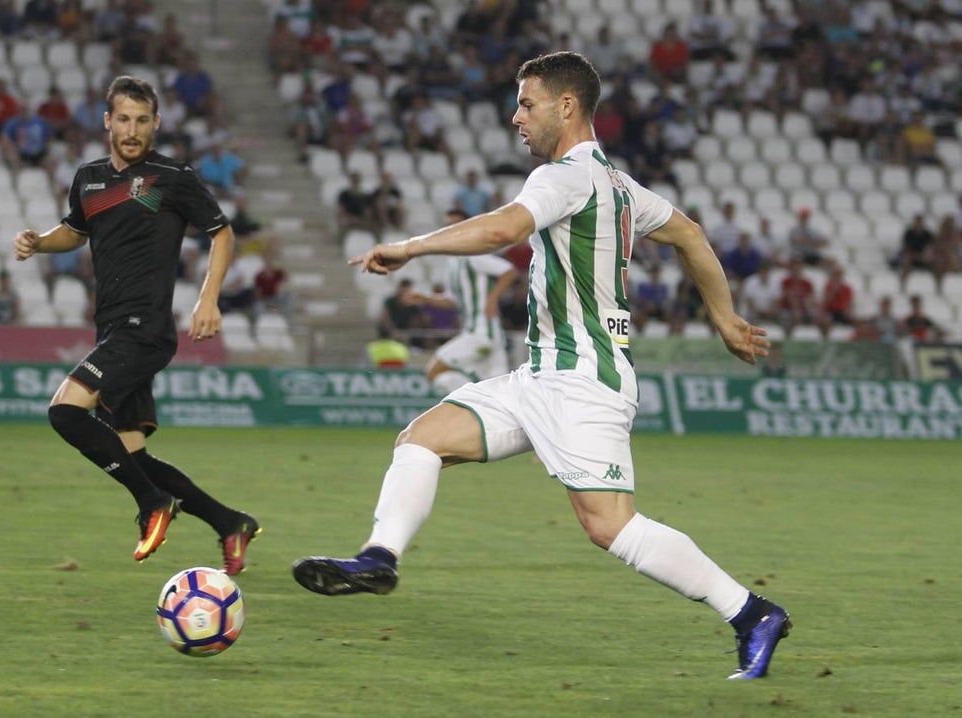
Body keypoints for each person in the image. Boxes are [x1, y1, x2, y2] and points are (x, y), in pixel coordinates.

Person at [292, 52, 789, 681]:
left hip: (585, 380)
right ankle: (378, 558)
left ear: (567, 106)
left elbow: (504, 228)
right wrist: (722, 316)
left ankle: (750, 612)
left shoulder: (566, 176)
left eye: (527, 104)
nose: (516, 116)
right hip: (540, 376)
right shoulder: (619, 184)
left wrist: (412, 247)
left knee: (609, 526)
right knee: (421, 439)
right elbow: (689, 233)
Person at [11, 75, 259, 572]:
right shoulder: (89, 178)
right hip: (112, 328)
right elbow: (75, 231)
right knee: (133, 454)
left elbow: (223, 234)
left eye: (142, 121)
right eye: (123, 119)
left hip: (144, 328)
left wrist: (208, 300)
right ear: (107, 121)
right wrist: (40, 241)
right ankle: (230, 522)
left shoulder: (174, 177)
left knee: (65, 412)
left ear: (156, 123)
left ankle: (152, 504)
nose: (132, 129)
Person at [421, 208, 519, 395]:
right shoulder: (453, 262)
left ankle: (472, 399)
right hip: (489, 336)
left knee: (434, 371)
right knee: (500, 395)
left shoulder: (475, 255)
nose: (452, 229)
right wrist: (424, 298)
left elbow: (509, 271)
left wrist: (492, 299)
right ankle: (482, 404)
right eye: (448, 225)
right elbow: (453, 301)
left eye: (456, 225)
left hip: (481, 333)